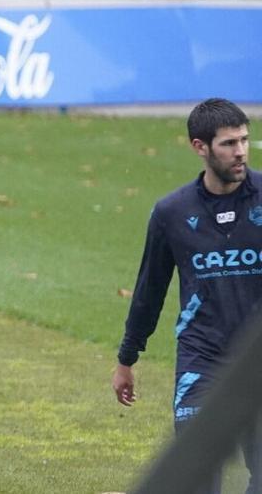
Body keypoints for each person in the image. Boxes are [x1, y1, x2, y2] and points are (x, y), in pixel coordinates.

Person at [113, 98, 262, 493]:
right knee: (195, 482)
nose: (241, 151)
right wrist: (127, 358)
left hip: (256, 363)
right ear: (200, 147)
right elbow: (150, 290)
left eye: (245, 140)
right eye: (229, 143)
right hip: (202, 362)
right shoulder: (172, 213)